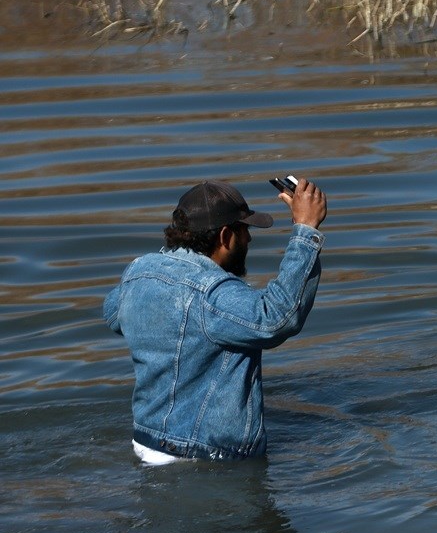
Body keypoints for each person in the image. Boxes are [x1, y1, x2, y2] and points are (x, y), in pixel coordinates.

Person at [103, 178, 328, 463]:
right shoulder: (212, 294)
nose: (249, 239)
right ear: (224, 236)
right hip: (206, 458)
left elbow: (113, 314)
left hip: (146, 442)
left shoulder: (139, 272)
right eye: (244, 230)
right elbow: (278, 318)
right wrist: (306, 231)